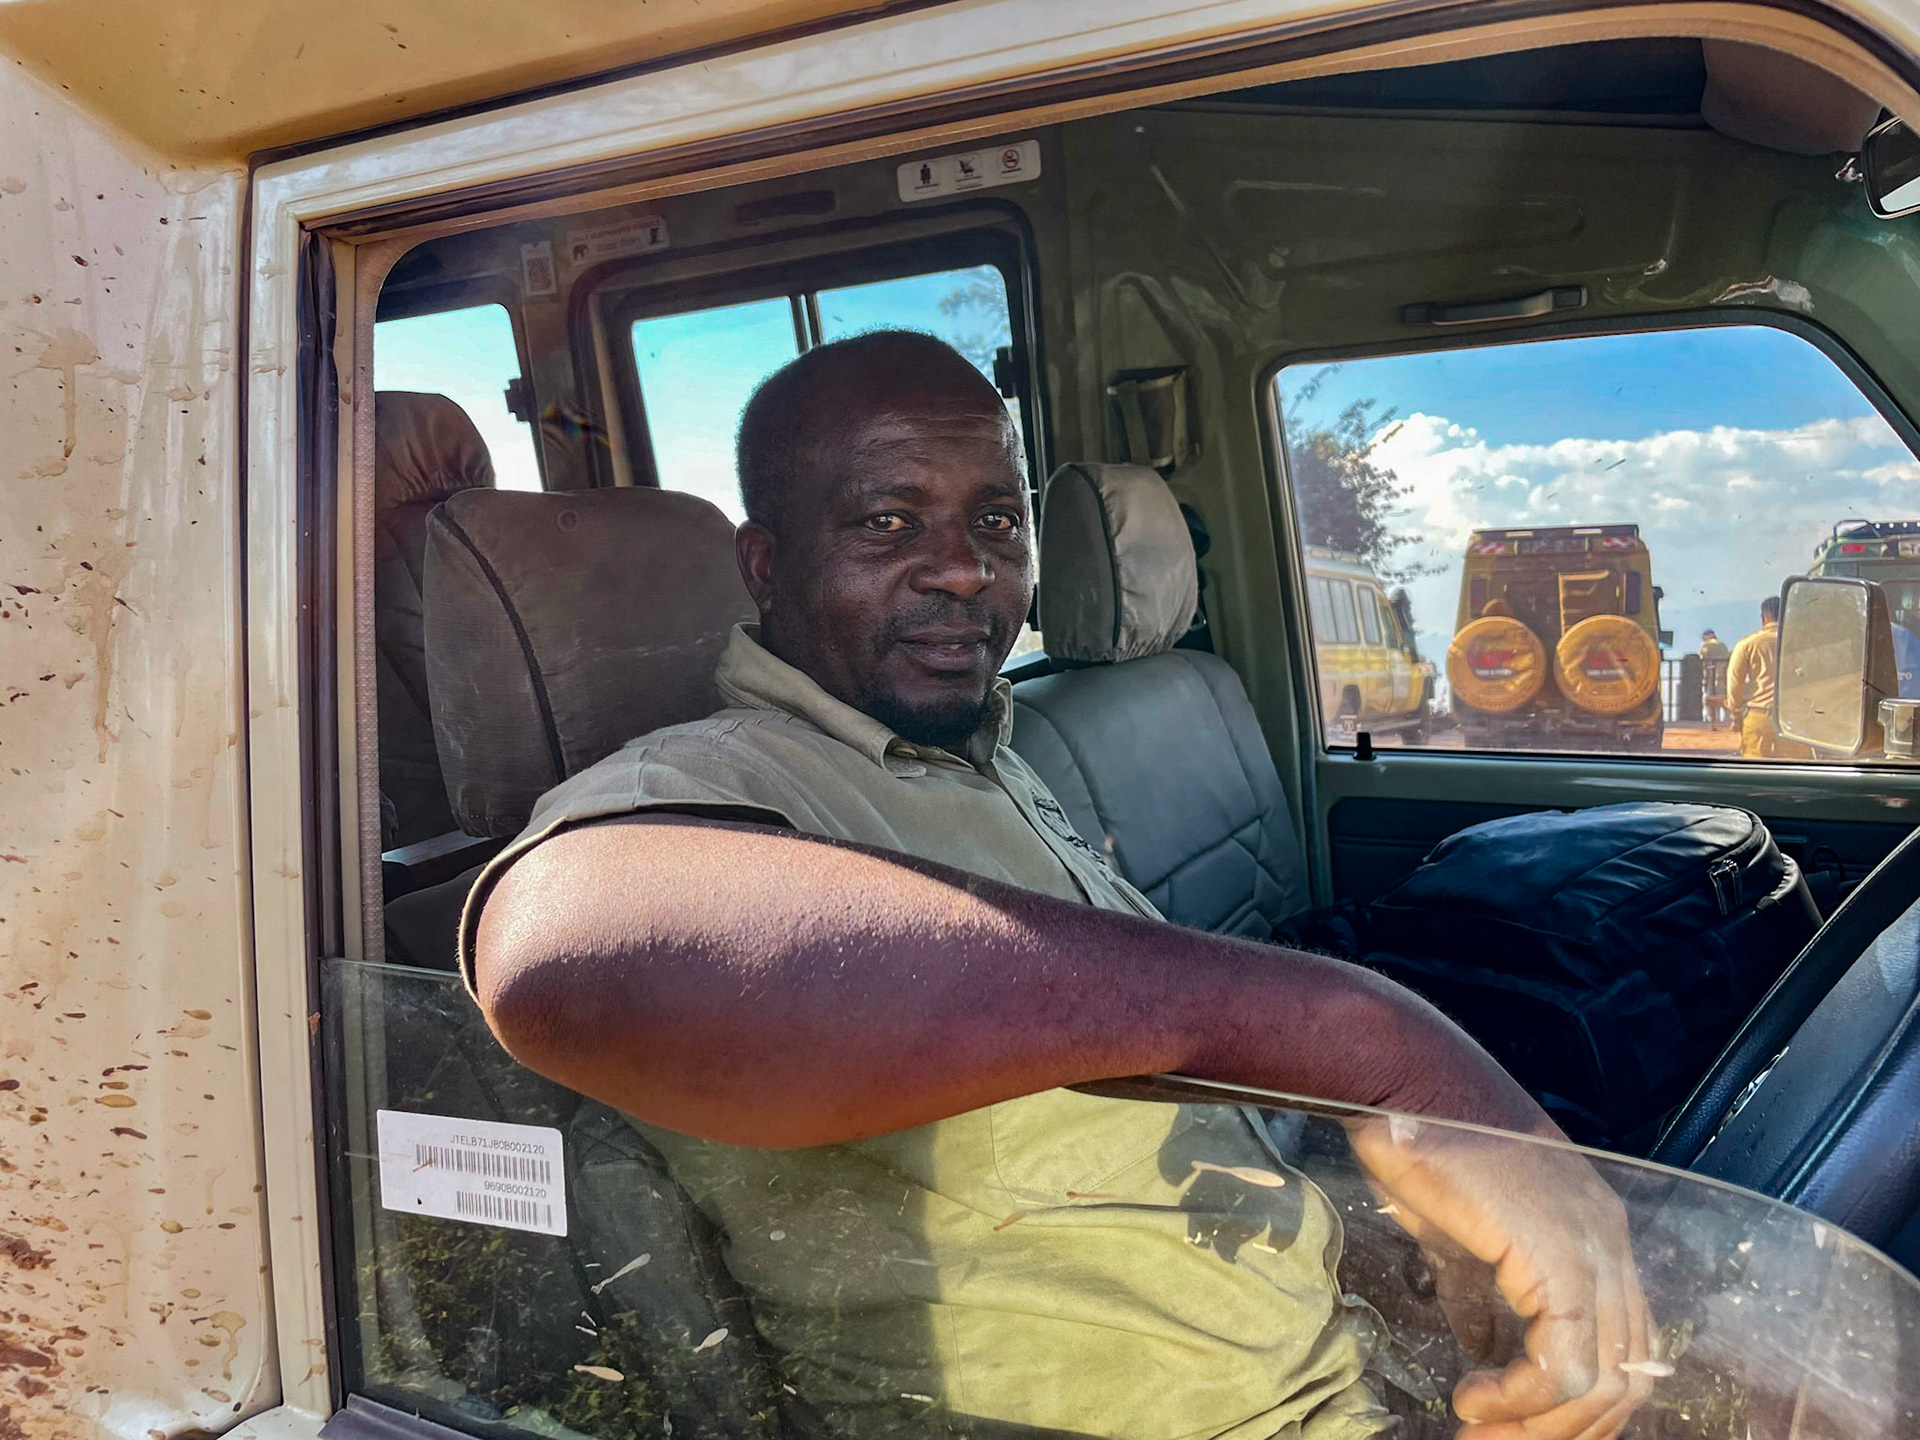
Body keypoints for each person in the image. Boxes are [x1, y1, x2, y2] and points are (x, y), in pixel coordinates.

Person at [466, 332, 1652, 1439]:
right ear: (768, 567)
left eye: (996, 520)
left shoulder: (982, 752)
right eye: (888, 523)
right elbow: (555, 953)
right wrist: (1378, 1048)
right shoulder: (720, 782)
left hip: (1342, 1361)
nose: (965, 572)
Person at [1728, 596, 1811, 759]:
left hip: (1758, 715)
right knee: (1795, 770)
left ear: (1763, 618)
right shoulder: (1802, 642)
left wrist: (1735, 711)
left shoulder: (1747, 644)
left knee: (1755, 769)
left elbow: (1734, 682)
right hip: (1792, 717)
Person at [1699, 629, 1730, 729]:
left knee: (1710, 698)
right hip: (1724, 676)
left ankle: (1712, 720)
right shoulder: (1722, 645)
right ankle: (1727, 720)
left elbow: (1702, 659)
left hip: (1710, 676)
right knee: (1724, 697)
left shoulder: (1706, 646)